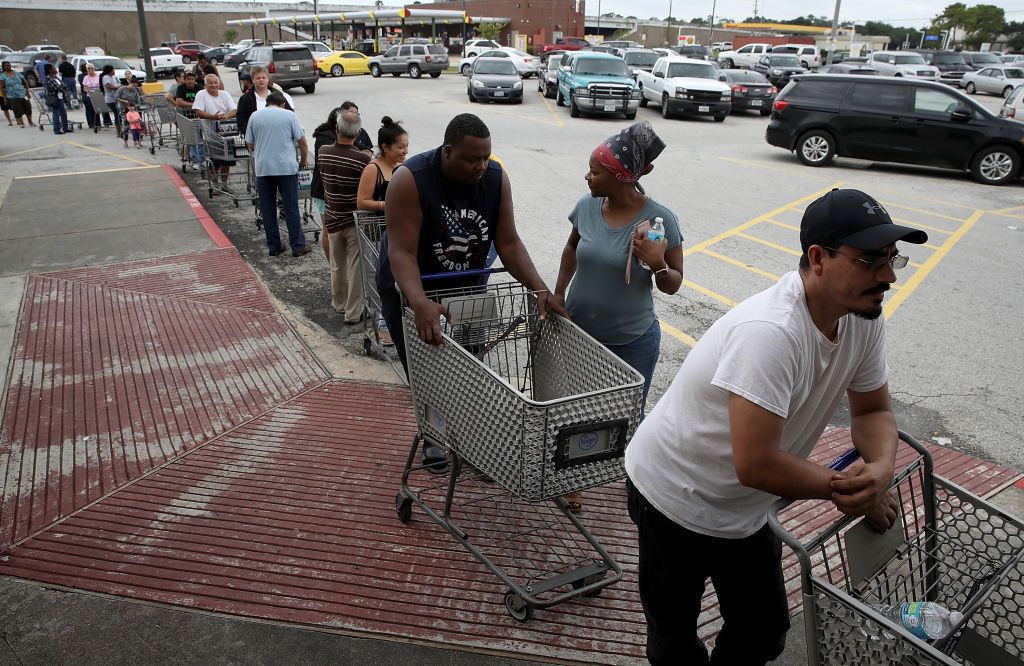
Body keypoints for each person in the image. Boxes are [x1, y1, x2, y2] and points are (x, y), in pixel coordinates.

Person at [623, 188, 929, 665]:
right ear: (818, 258)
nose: (888, 276)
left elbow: (871, 411)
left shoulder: (862, 315)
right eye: (871, 260)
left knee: (762, 630)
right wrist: (846, 489)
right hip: (673, 494)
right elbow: (756, 464)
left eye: (892, 258)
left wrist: (880, 469)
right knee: (675, 637)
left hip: (742, 505)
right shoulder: (771, 333)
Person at [377, 113, 567, 472]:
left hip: (467, 284)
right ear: (447, 152)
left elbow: (508, 243)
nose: (481, 165)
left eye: (486, 156)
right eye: (471, 158)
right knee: (428, 368)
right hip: (410, 286)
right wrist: (420, 303)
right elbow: (400, 252)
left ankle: (472, 439)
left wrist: (540, 288)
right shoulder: (410, 180)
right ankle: (434, 434)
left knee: (472, 364)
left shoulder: (495, 178)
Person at [552, 122, 682, 514]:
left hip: (633, 339)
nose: (587, 176)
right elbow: (571, 249)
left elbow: (673, 284)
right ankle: (574, 480)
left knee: (625, 418)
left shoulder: (660, 220)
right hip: (580, 333)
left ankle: (638, 482)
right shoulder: (586, 207)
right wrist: (558, 294)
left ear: (621, 176)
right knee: (574, 411)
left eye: (595, 171)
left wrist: (658, 264)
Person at [356, 116, 409, 346]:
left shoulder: (402, 168)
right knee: (380, 280)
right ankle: (382, 323)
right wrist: (384, 205)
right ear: (385, 147)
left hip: (399, 232)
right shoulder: (373, 169)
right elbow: (361, 201)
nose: (405, 151)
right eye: (400, 147)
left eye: (406, 146)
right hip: (378, 234)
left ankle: (403, 321)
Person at [318, 108, 371, 320]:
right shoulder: (362, 160)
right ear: (358, 134)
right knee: (355, 268)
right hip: (353, 221)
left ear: (337, 128)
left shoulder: (323, 151)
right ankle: (353, 312)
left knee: (337, 264)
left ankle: (339, 303)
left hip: (331, 217)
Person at [245, 91, 310, 257]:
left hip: (263, 169)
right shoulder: (289, 115)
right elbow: (302, 142)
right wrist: (302, 161)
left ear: (267, 102)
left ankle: (274, 246)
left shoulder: (255, 116)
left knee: (267, 209)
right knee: (290, 208)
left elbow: (250, 144)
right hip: (286, 169)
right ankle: (298, 246)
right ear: (282, 103)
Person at [191, 74, 237, 189]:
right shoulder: (201, 94)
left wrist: (226, 116)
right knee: (214, 160)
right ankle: (215, 183)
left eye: (215, 82)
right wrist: (213, 117)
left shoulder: (224, 94)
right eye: (210, 83)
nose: (213, 85)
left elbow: (234, 110)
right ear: (205, 84)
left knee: (228, 159)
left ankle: (225, 183)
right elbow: (199, 112)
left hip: (226, 131)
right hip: (210, 132)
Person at [236, 67, 293, 136]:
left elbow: (290, 114)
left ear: (268, 79)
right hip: (257, 138)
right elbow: (241, 120)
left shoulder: (278, 95)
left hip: (280, 135)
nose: (261, 80)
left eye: (263, 77)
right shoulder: (245, 99)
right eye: (258, 78)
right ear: (253, 80)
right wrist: (250, 135)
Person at [173, 71, 204, 166]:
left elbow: (204, 100)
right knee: (192, 139)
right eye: (188, 79)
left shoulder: (199, 88)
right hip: (186, 116)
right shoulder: (181, 88)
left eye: (192, 79)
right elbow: (179, 102)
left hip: (199, 116)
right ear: (185, 80)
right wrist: (194, 105)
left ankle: (201, 159)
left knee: (201, 139)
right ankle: (195, 160)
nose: (191, 81)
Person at [0, 60, 35, 128]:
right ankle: (22, 123)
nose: (8, 67)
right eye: (6, 66)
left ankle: (30, 122)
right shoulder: (2, 75)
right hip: (12, 96)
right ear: (3, 67)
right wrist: (4, 97)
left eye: (9, 65)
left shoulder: (17, 73)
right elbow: (1, 87)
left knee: (28, 107)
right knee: (17, 110)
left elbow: (25, 82)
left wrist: (27, 91)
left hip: (22, 94)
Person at [114, 76, 145, 148]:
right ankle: (125, 142)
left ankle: (137, 141)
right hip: (124, 109)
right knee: (126, 125)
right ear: (130, 83)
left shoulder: (136, 91)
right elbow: (116, 98)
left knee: (137, 126)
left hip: (133, 110)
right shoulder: (122, 89)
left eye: (135, 86)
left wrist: (133, 106)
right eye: (133, 86)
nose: (134, 87)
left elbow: (139, 102)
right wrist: (123, 101)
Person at [43, 64, 71, 135]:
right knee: (56, 114)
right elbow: (58, 87)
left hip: (60, 97)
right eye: (54, 68)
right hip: (54, 98)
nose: (55, 69)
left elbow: (64, 85)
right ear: (50, 70)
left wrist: (62, 86)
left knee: (63, 113)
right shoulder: (48, 78)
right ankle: (57, 129)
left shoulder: (55, 77)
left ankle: (65, 128)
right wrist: (62, 86)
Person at [79, 63, 106, 129]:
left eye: (92, 68)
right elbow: (84, 87)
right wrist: (87, 90)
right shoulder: (85, 78)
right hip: (90, 95)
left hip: (98, 94)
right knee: (90, 109)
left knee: (97, 109)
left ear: (94, 69)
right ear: (87, 70)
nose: (90, 69)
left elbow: (102, 85)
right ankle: (91, 124)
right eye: (89, 68)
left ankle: (98, 123)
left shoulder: (98, 76)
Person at [100, 65, 120, 134]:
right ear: (110, 71)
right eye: (113, 69)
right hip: (110, 99)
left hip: (115, 98)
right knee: (117, 113)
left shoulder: (113, 77)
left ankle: (119, 129)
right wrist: (117, 87)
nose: (114, 71)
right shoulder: (106, 77)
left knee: (118, 113)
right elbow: (108, 86)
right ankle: (118, 131)